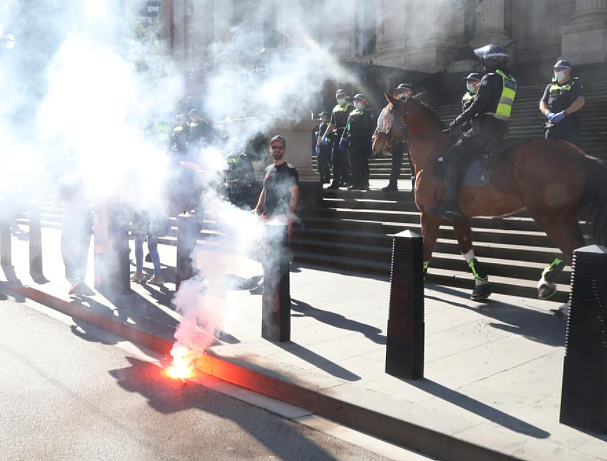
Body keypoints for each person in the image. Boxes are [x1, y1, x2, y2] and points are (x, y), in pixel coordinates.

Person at [429, 44, 517, 219]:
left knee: (451, 158)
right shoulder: (510, 80)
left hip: (484, 130)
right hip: (501, 128)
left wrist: (456, 121)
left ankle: (452, 206)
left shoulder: (489, 79)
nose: (482, 62)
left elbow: (477, 106)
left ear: (491, 60)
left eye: (484, 59)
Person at [53, 159, 93, 296]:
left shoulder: (63, 182)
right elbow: (91, 200)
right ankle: (79, 282)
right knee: (83, 253)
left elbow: (55, 203)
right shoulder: (85, 182)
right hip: (86, 222)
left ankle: (74, 279)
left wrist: (55, 209)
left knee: (66, 251)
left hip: (71, 223)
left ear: (68, 169)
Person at [253, 136, 300, 238]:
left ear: (284, 150)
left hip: (282, 217)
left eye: (280, 147)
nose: (277, 150)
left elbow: (294, 195)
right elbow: (264, 190)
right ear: (270, 149)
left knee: (280, 250)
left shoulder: (290, 170)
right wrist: (257, 209)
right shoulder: (267, 169)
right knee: (264, 247)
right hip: (266, 216)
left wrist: (289, 214)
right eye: (274, 147)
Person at [539, 60, 585, 147]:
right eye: (555, 70)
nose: (556, 72)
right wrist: (548, 114)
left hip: (569, 127)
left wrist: (564, 113)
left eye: (559, 70)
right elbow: (542, 102)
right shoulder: (550, 86)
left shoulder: (575, 85)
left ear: (568, 70)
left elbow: (580, 100)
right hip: (552, 126)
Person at [318, 89, 353, 189]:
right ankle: (336, 181)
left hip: (346, 135)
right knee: (334, 159)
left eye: (342, 96)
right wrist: (325, 135)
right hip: (337, 135)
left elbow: (349, 123)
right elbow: (332, 124)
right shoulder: (335, 108)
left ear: (346, 96)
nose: (340, 98)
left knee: (345, 159)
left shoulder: (350, 107)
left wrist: (346, 135)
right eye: (338, 96)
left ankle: (347, 180)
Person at [340, 94, 375, 191]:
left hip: (363, 142)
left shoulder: (368, 114)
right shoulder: (352, 113)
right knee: (353, 163)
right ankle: (355, 183)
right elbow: (347, 127)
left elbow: (371, 128)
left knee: (363, 163)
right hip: (352, 142)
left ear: (364, 102)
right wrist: (343, 138)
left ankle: (364, 183)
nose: (356, 102)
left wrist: (371, 140)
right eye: (355, 100)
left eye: (358, 100)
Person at [383, 83, 414, 192]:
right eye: (400, 91)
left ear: (410, 93)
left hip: (410, 137)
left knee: (412, 163)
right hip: (398, 138)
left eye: (404, 91)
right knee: (395, 162)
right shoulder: (395, 106)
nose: (401, 94)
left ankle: (415, 185)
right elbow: (390, 121)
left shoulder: (414, 105)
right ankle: (392, 184)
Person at [130, 210, 168, 286]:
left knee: (138, 247)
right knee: (153, 248)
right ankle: (158, 276)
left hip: (140, 220)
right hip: (152, 219)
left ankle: (139, 273)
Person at [314, 111, 332, 184]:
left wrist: (317, 145)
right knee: (327, 163)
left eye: (322, 116)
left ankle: (321, 178)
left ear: (325, 117)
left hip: (322, 146)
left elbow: (320, 135)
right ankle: (327, 178)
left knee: (321, 162)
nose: (320, 118)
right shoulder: (331, 124)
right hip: (329, 145)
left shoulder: (323, 124)